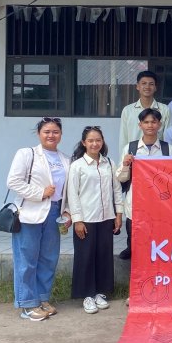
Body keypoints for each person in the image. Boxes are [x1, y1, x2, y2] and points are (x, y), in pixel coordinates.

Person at [6, 117, 71, 321]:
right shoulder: (27, 154)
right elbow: (13, 181)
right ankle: (27, 304)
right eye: (47, 131)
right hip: (29, 213)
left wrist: (67, 211)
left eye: (55, 132)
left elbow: (67, 190)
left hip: (54, 213)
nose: (51, 135)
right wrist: (40, 192)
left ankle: (42, 298)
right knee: (27, 259)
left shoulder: (65, 159)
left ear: (61, 134)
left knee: (48, 258)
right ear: (38, 134)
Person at [66, 126, 123, 315]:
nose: (94, 143)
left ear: (102, 141)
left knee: (103, 256)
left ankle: (100, 292)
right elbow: (72, 195)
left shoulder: (109, 163)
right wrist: (78, 220)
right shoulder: (77, 166)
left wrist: (118, 214)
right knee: (85, 257)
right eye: (90, 140)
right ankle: (87, 295)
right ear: (84, 143)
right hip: (86, 219)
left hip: (106, 217)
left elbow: (116, 190)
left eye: (98, 140)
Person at [117, 108, 172, 261]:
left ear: (160, 125)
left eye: (153, 122)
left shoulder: (168, 149)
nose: (150, 125)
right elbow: (121, 178)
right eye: (146, 122)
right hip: (135, 201)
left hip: (160, 203)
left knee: (159, 235)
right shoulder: (130, 148)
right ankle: (132, 253)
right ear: (140, 125)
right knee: (134, 234)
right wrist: (125, 165)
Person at [118, 70, 172, 159]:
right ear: (137, 86)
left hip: (158, 158)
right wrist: (123, 160)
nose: (147, 87)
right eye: (143, 83)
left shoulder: (165, 110)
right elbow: (123, 139)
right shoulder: (128, 110)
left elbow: (167, 137)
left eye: (151, 84)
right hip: (134, 157)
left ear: (155, 87)